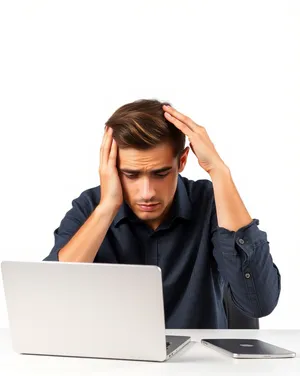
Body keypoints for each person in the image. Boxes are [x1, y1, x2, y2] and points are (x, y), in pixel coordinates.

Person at [43, 99, 281, 329]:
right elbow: (51, 300)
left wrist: (219, 172)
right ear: (112, 168)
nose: (147, 193)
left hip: (200, 365)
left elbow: (259, 303)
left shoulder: (211, 202)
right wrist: (107, 208)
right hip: (113, 364)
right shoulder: (91, 206)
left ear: (182, 161)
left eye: (160, 174)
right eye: (131, 175)